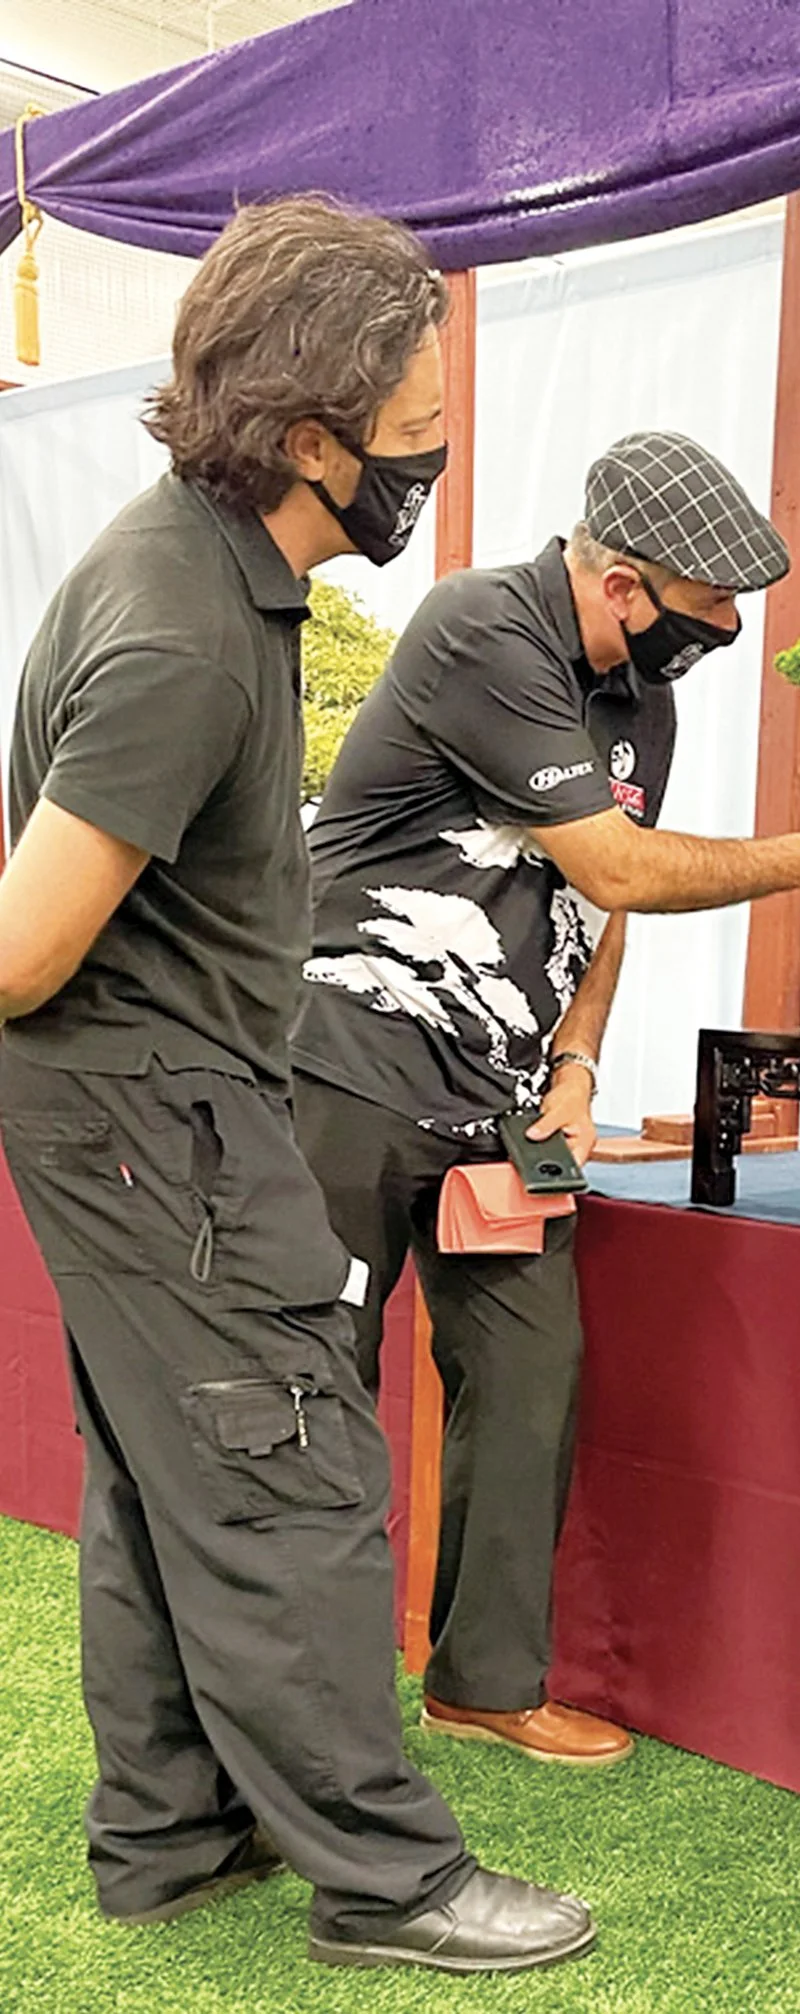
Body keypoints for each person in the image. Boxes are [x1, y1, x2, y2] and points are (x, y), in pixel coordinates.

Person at [0, 196, 596, 1976]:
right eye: (417, 435)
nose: (436, 461)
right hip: (152, 1118)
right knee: (291, 1463)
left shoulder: (192, 564)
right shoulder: (183, 629)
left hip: (142, 1107)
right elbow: (25, 948)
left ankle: (172, 1836)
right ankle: (387, 1875)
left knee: (167, 1467)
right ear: (312, 435)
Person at [290, 430, 800, 1765]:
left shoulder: (645, 702)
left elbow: (597, 902)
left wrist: (575, 1066)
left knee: (528, 1368)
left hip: (505, 1097)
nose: (732, 628)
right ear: (623, 581)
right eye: (711, 604)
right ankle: (305, 1706)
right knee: (315, 1381)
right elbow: (624, 866)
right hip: (347, 1063)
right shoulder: (481, 631)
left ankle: (485, 1678)